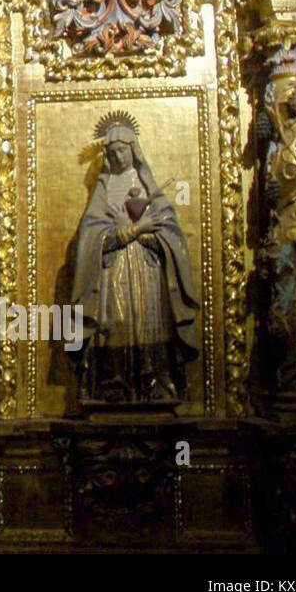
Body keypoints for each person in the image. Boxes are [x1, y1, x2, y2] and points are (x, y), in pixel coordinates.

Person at [72, 113, 197, 403]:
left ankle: (156, 383)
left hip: (149, 270)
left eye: (123, 150)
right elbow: (92, 237)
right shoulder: (104, 189)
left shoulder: (149, 185)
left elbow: (170, 233)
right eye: (113, 152)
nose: (119, 156)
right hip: (113, 273)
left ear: (134, 149)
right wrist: (131, 231)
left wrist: (146, 233)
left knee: (150, 321)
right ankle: (112, 384)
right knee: (115, 322)